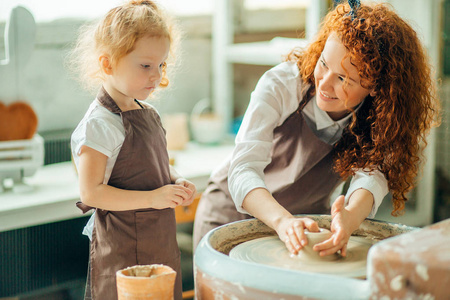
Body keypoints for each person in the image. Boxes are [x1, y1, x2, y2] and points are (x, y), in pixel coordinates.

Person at [193, 0, 439, 258]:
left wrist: (350, 219)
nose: (324, 83)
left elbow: (372, 177)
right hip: (231, 215)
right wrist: (281, 221)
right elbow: (243, 169)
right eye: (323, 63)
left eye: (343, 79)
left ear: (376, 86)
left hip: (303, 226)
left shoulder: (381, 120)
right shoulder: (282, 85)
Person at [70, 1, 196, 299]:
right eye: (145, 65)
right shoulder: (99, 125)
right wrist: (154, 198)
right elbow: (91, 193)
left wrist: (175, 180)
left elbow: (157, 165)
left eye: (162, 65)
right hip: (122, 251)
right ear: (107, 63)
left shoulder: (148, 112)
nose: (156, 75)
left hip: (159, 243)